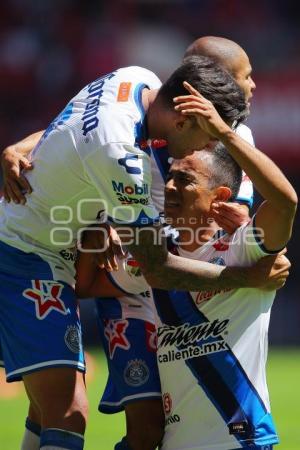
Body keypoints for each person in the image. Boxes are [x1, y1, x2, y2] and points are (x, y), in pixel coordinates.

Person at [0, 40, 287, 450]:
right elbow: (156, 264)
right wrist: (249, 276)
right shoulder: (125, 156)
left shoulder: (135, 79)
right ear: (192, 101)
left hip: (161, 275)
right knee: (81, 415)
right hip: (60, 261)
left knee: (52, 403)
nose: (253, 85)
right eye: (245, 75)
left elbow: (74, 127)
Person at [77, 135, 296, 449]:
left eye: (184, 180)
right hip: (177, 443)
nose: (168, 187)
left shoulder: (242, 247)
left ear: (218, 196)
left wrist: (226, 133)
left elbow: (285, 203)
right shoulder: (154, 262)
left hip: (241, 441)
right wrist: (97, 225)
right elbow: (85, 285)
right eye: (169, 178)